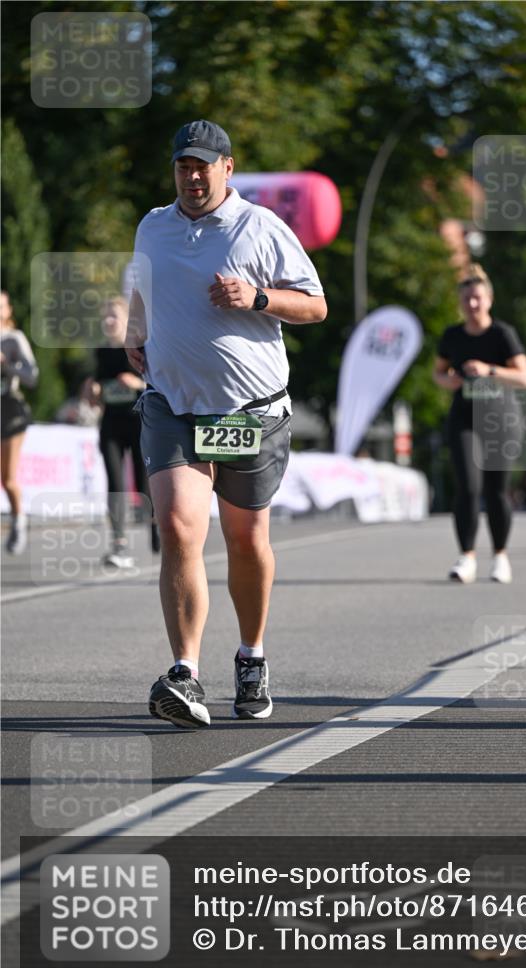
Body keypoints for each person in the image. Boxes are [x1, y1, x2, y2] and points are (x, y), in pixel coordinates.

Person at [126, 120, 327, 729]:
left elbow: (316, 305)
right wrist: (136, 332)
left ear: (227, 168)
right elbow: (143, 285)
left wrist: (258, 298)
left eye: (203, 166)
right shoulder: (153, 226)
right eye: (183, 166)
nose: (192, 176)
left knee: (245, 541)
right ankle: (185, 673)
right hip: (171, 404)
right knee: (180, 527)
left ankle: (252, 655)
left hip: (248, 412)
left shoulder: (261, 227)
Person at [433, 265, 526, 583]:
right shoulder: (452, 335)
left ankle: (500, 556)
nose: (472, 305)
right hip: (464, 417)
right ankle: (467, 557)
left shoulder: (502, 334)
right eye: (466, 299)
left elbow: (523, 377)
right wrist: (453, 380)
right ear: (460, 303)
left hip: (500, 418)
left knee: (496, 490)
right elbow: (439, 373)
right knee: (468, 487)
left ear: (488, 299)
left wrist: (489, 369)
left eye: (477, 298)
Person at [82, 296, 158, 568]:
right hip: (111, 423)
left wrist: (137, 383)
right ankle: (119, 543)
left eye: (114, 316)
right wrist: (93, 392)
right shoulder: (101, 350)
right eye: (105, 317)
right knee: (116, 485)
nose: (108, 321)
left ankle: (156, 528)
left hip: (139, 422)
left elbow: (159, 381)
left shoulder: (141, 345)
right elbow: (97, 390)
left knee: (144, 483)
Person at [1, 290, 39, 555]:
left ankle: (18, 520)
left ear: (8, 310)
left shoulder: (13, 339)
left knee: (8, 478)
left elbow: (32, 376)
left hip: (10, 409)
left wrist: (6, 364)